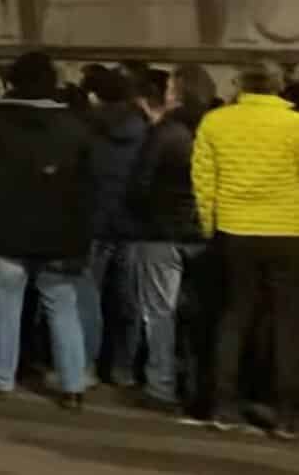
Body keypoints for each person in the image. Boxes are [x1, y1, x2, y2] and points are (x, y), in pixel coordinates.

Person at [0, 51, 96, 410]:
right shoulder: (76, 129)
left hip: (3, 231)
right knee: (62, 306)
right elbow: (88, 191)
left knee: (5, 306)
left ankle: (2, 377)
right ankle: (73, 384)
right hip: (59, 236)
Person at [193, 67, 299, 435]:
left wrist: (209, 225)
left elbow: (203, 180)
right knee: (287, 322)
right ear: (278, 86)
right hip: (288, 231)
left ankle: (223, 405)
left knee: (234, 315)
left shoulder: (216, 122)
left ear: (239, 85)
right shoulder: (294, 124)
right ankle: (286, 414)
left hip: (234, 229)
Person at [123, 68, 206, 414]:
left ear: (177, 92)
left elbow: (140, 183)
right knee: (196, 314)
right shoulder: (209, 127)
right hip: (201, 232)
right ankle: (197, 383)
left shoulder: (165, 132)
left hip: (161, 231)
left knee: (159, 312)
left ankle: (161, 384)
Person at [81, 65, 150, 386]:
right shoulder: (145, 129)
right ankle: (123, 366)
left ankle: (86, 363)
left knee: (88, 297)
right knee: (127, 299)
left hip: (94, 221)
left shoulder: (88, 127)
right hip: (132, 223)